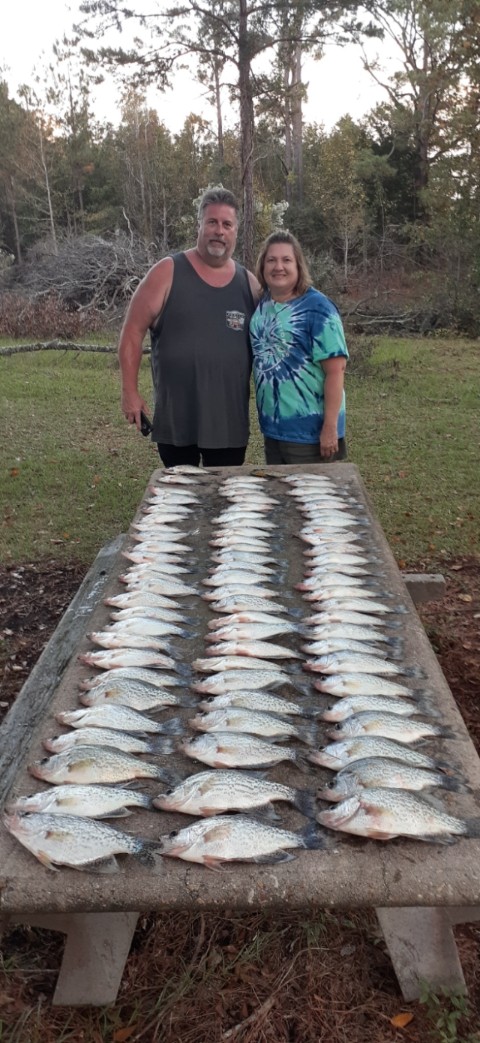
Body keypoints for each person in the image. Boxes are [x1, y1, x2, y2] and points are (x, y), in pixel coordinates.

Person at [118, 187, 260, 468]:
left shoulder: (249, 284)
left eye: (227, 224)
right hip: (177, 421)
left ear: (235, 231)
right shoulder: (167, 272)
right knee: (180, 500)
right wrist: (129, 392)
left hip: (228, 424)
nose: (219, 230)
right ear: (200, 226)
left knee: (223, 500)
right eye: (212, 222)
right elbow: (132, 333)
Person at [250, 230, 349, 465]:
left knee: (310, 500)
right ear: (263, 266)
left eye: (286, 260)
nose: (278, 267)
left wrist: (329, 428)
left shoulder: (319, 309)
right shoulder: (263, 303)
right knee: (281, 496)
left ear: (298, 265)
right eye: (271, 260)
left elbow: (336, 371)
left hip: (309, 434)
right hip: (274, 429)